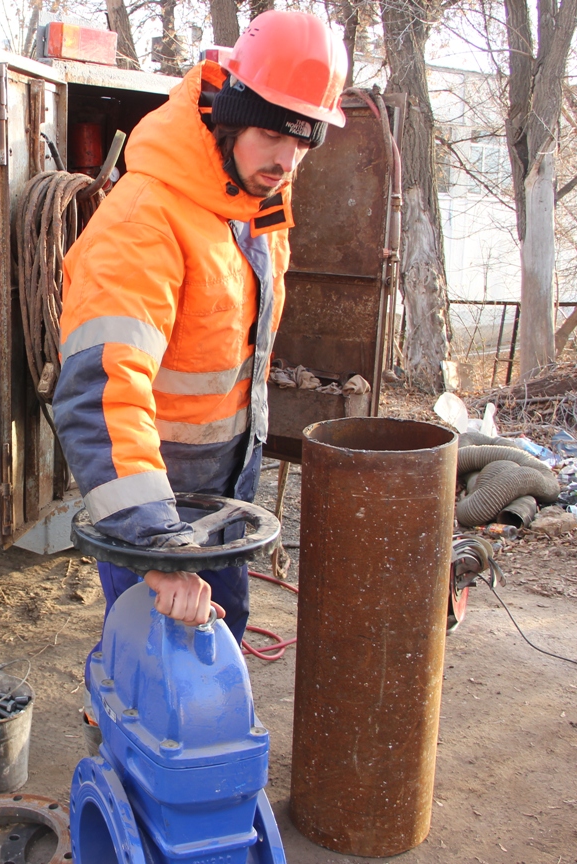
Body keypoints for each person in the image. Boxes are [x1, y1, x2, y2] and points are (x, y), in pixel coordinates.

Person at [52, 11, 347, 644]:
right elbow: (100, 394)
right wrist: (158, 545)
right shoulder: (145, 219)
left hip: (226, 489)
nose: (286, 160)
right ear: (231, 111)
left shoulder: (256, 212)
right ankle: (118, 731)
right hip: (154, 497)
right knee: (150, 663)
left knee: (216, 649)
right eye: (273, 134)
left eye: (304, 141)